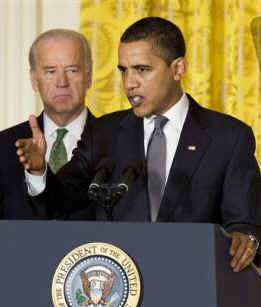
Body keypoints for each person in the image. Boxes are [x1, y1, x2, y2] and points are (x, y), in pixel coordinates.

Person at [16, 17, 261, 272]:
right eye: (124, 70)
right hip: (119, 292)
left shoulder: (228, 137)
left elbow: (245, 223)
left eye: (142, 69)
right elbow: (61, 203)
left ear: (177, 69)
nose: (129, 83)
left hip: (196, 284)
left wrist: (248, 239)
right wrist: (38, 171)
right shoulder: (103, 133)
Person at [0, 28, 95, 219]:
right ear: (34, 80)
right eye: (50, 71)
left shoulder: (117, 143)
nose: (62, 82)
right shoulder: (4, 146)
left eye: (72, 70)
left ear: (89, 77)